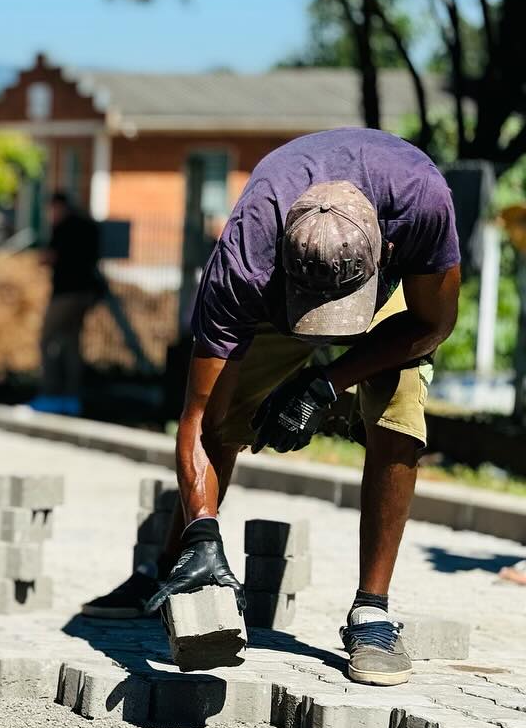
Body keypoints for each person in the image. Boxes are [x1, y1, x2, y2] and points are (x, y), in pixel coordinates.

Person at [82, 128, 461, 688]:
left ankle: (372, 614)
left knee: (398, 414)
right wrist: (203, 533)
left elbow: (434, 325)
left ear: (385, 247)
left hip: (393, 301)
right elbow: (196, 419)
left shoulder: (421, 202)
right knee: (223, 423)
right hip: (273, 302)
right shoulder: (243, 262)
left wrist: (324, 386)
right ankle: (177, 568)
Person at [32, 192, 104, 415]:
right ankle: (71, 396)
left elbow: (50, 256)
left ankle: (51, 392)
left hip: (66, 293)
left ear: (57, 207)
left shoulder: (64, 228)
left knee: (47, 339)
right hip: (85, 292)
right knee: (72, 343)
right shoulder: (88, 227)